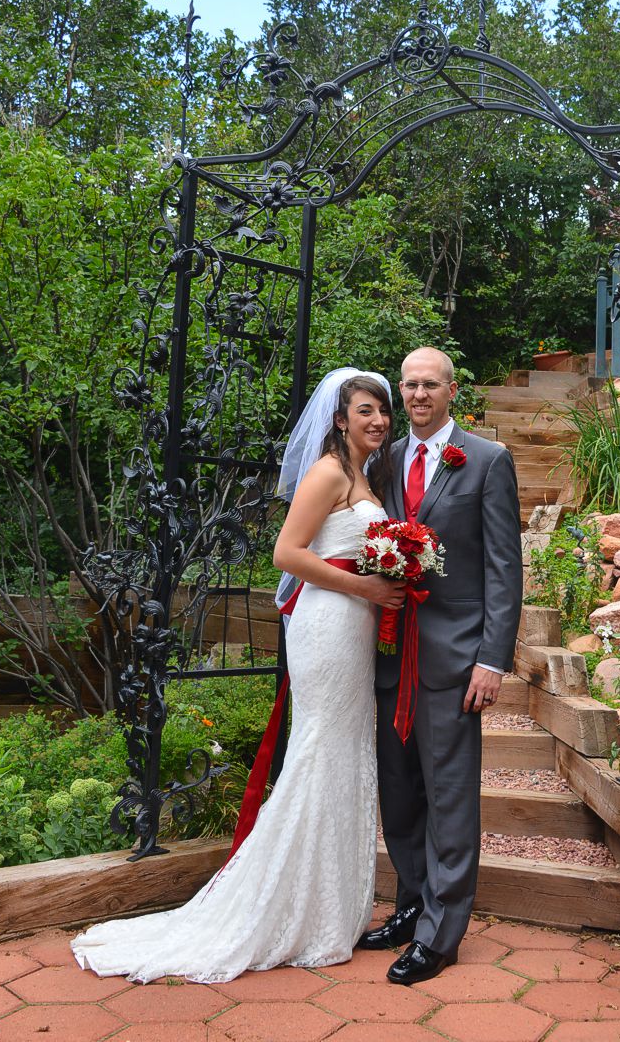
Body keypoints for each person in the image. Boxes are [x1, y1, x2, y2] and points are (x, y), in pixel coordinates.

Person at [71, 368, 404, 983]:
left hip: (355, 625)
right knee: (319, 751)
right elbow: (287, 554)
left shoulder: (367, 473)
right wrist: (366, 586)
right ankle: (279, 906)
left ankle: (326, 908)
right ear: (339, 418)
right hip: (329, 622)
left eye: (382, 412)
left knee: (342, 752)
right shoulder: (330, 471)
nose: (378, 421)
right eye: (365, 411)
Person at [358, 346, 523, 985]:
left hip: (456, 657)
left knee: (449, 796)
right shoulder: (388, 460)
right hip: (393, 650)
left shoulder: (486, 460)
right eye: (409, 385)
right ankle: (411, 905)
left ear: (452, 390)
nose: (418, 395)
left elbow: (504, 568)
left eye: (430, 384)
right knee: (399, 792)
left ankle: (441, 933)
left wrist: (492, 658)